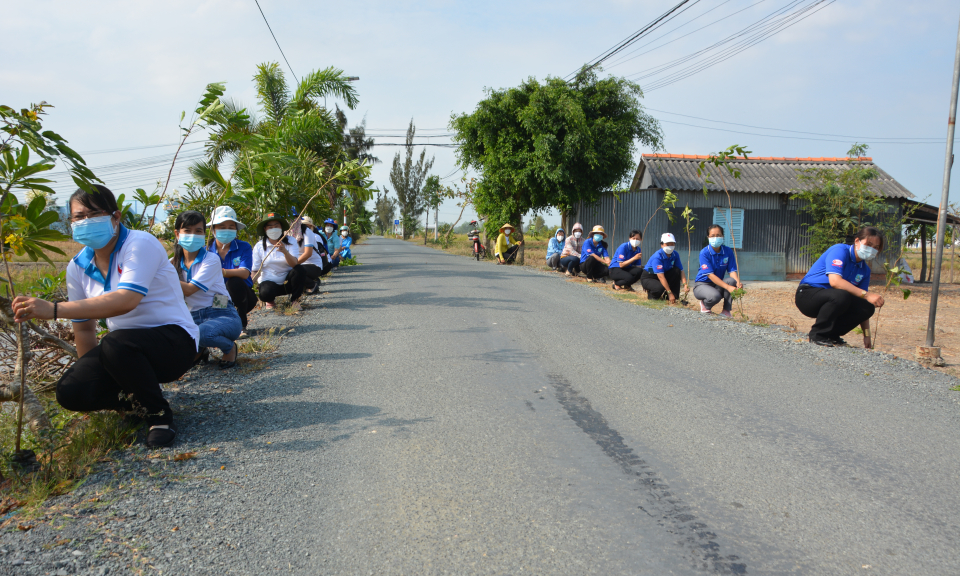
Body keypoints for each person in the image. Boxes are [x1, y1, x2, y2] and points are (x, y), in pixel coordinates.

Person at [11, 185, 198, 448]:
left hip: (174, 343)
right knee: (70, 390)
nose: (85, 221)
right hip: (125, 353)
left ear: (116, 216)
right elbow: (85, 330)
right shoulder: (77, 266)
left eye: (94, 213)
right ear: (71, 222)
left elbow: (126, 300)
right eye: (78, 216)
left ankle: (159, 416)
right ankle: (136, 403)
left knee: (115, 342)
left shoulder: (140, 243)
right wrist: (90, 375)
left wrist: (54, 309)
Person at [171, 211, 243, 370]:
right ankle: (200, 348)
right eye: (187, 231)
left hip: (223, 313)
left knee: (201, 333)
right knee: (172, 338)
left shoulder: (210, 259)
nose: (193, 235)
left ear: (205, 233)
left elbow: (190, 290)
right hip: (193, 317)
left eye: (198, 231)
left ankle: (229, 348)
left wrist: (163, 277)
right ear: (177, 234)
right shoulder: (172, 263)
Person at [795, 226, 885, 347]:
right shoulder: (840, 250)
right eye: (869, 244)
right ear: (857, 241)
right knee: (841, 295)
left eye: (876, 247)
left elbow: (863, 299)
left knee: (867, 306)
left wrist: (867, 336)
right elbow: (835, 282)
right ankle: (818, 335)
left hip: (833, 301)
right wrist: (867, 295)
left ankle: (831, 335)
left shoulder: (864, 270)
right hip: (807, 295)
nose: (871, 249)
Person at [208, 206, 257, 335]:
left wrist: (222, 272)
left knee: (234, 282)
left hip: (243, 296)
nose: (227, 230)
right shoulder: (206, 251)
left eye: (231, 227)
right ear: (213, 230)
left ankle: (241, 325)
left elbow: (245, 273)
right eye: (222, 227)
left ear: (236, 229)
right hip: (218, 297)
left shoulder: (243, 246)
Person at [252, 212, 306, 310]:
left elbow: (294, 263)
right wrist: (248, 285)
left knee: (299, 269)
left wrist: (285, 252)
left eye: (276, 225)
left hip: (288, 282)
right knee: (265, 293)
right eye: (270, 227)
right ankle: (270, 301)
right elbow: (256, 270)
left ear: (281, 227)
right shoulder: (259, 246)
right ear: (265, 229)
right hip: (270, 284)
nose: (273, 229)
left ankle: (295, 300)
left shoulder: (291, 241)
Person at [693, 225, 743, 318]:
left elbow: (732, 271)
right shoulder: (704, 253)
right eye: (712, 236)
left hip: (717, 284)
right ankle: (705, 304)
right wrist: (728, 287)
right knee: (715, 296)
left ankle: (726, 311)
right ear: (708, 237)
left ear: (723, 236)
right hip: (702, 284)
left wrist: (738, 283)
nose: (715, 238)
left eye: (718, 235)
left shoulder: (728, 251)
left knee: (733, 281)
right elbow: (710, 275)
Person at [640, 233, 688, 302]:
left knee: (676, 270)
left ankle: (671, 297)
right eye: (667, 244)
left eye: (672, 244)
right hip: (650, 276)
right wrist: (669, 293)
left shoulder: (675, 254)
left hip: (664, 274)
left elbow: (681, 270)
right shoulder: (658, 256)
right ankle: (652, 294)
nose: (670, 246)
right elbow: (660, 277)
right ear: (662, 245)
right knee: (659, 288)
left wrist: (685, 285)